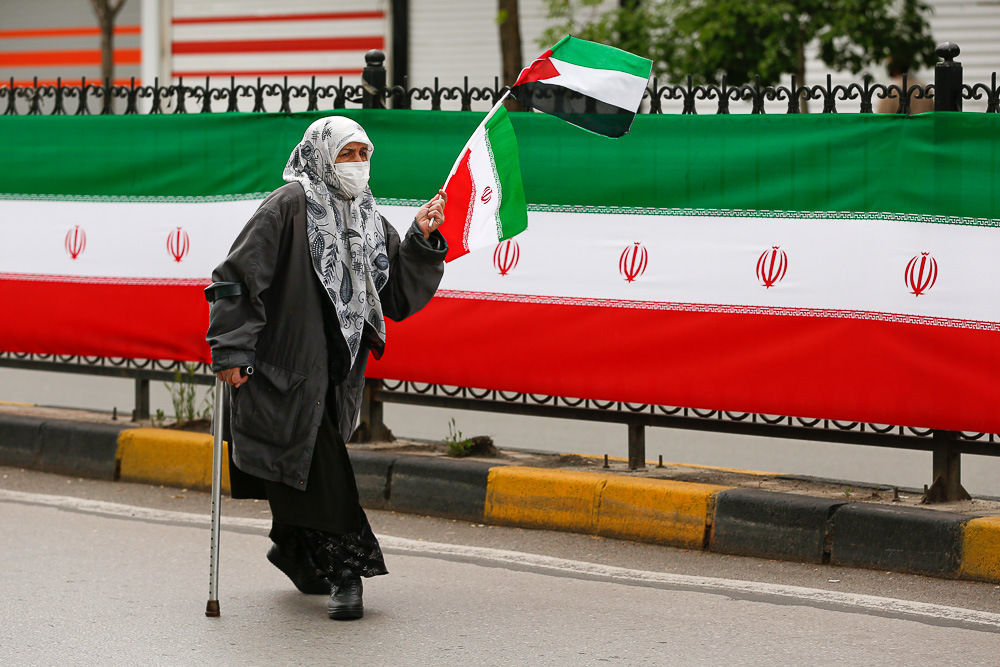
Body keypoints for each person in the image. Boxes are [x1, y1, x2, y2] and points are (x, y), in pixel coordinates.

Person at [206, 116, 447, 620]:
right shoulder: (288, 205)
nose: (358, 164)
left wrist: (421, 239)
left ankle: (295, 551)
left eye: (364, 154)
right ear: (319, 155)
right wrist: (231, 349)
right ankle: (346, 573)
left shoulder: (369, 217)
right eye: (346, 153)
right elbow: (237, 278)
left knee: (304, 469)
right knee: (324, 473)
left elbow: (395, 297)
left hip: (337, 375)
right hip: (284, 372)